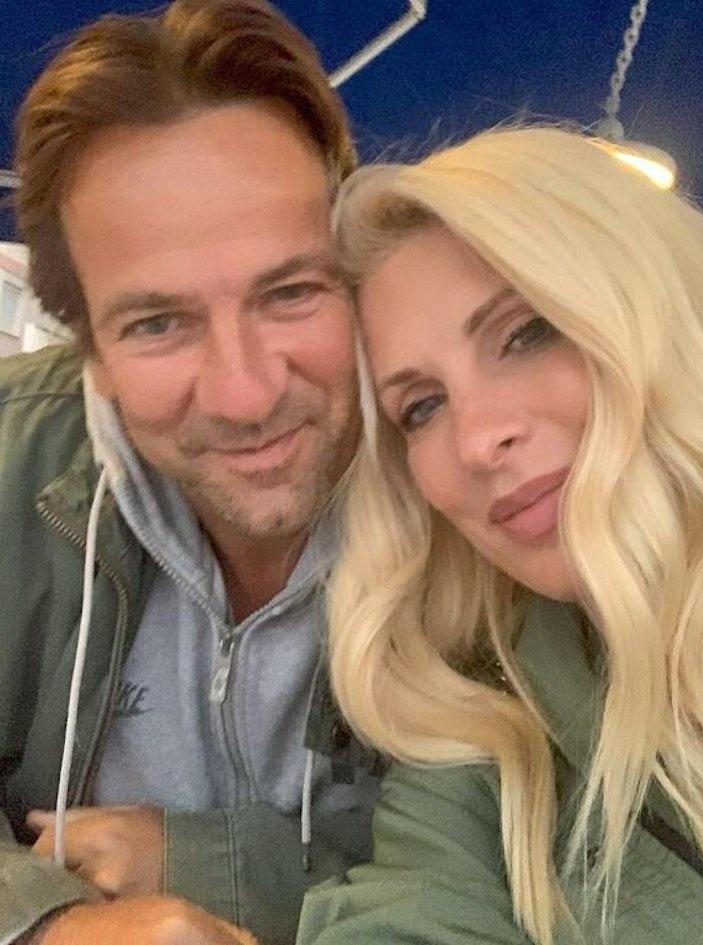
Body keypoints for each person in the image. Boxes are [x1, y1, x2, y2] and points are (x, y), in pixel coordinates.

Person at [296, 126, 703, 945]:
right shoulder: (492, 713)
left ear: (653, 302)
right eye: (421, 406)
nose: (476, 439)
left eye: (525, 334)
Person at [1, 2, 380, 943]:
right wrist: (42, 922)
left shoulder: (488, 489)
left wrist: (210, 866)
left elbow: (550, 876)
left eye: (290, 291)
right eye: (158, 323)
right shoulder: (12, 455)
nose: (246, 394)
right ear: (87, 347)